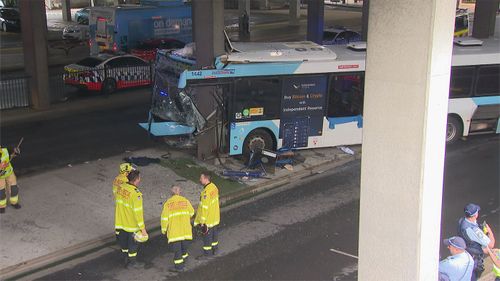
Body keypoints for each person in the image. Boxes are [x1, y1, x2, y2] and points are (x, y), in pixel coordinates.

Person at [115, 170, 148, 269]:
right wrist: (143, 229)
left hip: (120, 223)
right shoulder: (136, 194)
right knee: (133, 245)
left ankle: (125, 259)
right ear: (137, 180)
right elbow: (138, 213)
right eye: (139, 178)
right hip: (131, 225)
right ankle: (132, 263)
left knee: (124, 244)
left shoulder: (121, 187)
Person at [457, 203, 496, 280]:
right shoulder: (474, 230)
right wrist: (489, 231)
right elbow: (491, 244)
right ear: (475, 215)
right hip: (474, 258)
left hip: (465, 252)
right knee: (473, 276)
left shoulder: (461, 221)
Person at [161, 185, 194, 272]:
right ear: (179, 192)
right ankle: (185, 259)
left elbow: (164, 219)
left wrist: (164, 230)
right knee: (184, 246)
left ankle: (179, 267)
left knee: (177, 250)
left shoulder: (167, 204)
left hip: (174, 232)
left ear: (171, 193)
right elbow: (192, 213)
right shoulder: (185, 201)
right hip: (185, 230)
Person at [194, 173, 220, 257]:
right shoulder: (214, 187)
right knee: (214, 234)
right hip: (215, 217)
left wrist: (202, 222)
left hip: (208, 219)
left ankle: (207, 254)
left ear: (206, 179)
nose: (200, 179)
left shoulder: (206, 192)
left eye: (201, 178)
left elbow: (204, 208)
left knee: (207, 237)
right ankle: (215, 248)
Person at [0, 145, 21, 214]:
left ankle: (14, 202)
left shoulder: (5, 150)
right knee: (1, 192)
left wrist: (16, 151)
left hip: (9, 173)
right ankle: (1, 206)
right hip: (0, 177)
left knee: (14, 188)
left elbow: (12, 153)